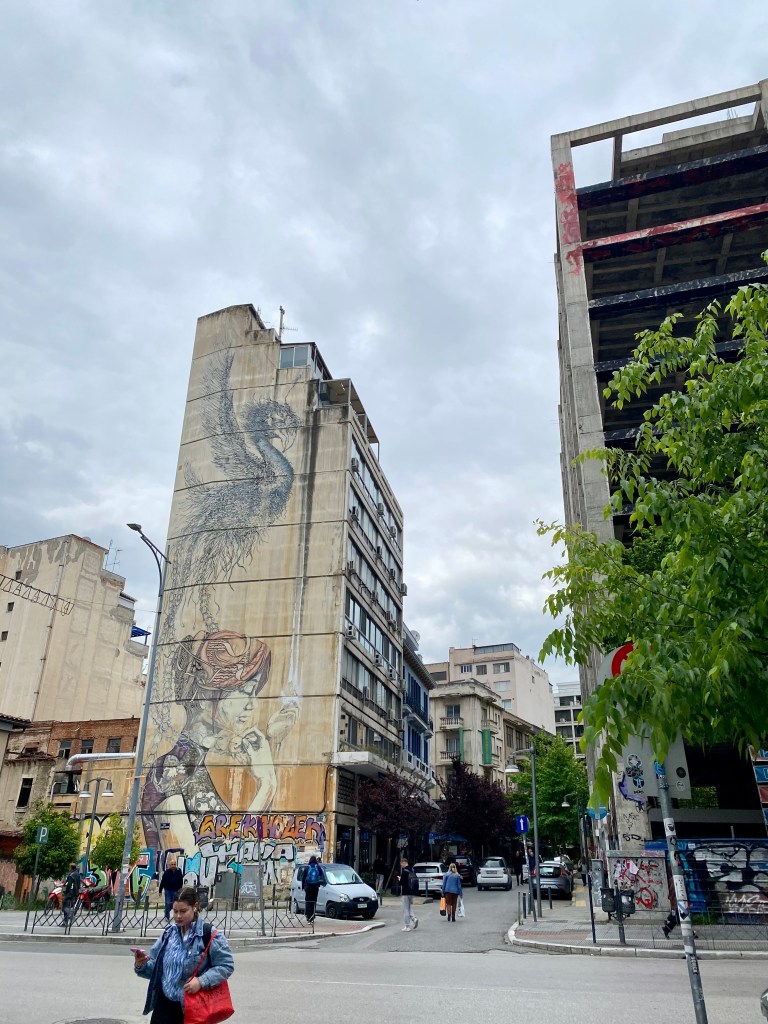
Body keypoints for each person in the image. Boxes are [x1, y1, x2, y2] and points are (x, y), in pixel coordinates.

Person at [133, 885, 234, 1024]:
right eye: (175, 911)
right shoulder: (168, 934)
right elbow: (156, 969)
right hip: (164, 1005)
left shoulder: (208, 935)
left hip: (193, 1006)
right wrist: (141, 964)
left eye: (183, 911)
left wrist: (201, 982)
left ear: (195, 907)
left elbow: (226, 966)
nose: (178, 916)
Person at [158, 858, 184, 923]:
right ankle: (167, 917)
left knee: (173, 904)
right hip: (168, 890)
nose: (173, 865)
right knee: (167, 903)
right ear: (169, 865)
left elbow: (181, 881)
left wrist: (180, 890)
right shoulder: (166, 872)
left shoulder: (179, 871)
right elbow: (163, 881)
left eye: (174, 864)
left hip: (176, 890)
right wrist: (160, 890)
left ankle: (166, 910)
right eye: (172, 864)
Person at [397, 856, 419, 932]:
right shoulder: (412, 870)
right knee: (409, 907)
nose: (401, 865)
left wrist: (399, 879)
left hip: (405, 892)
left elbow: (401, 883)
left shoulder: (404, 872)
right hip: (411, 892)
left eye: (401, 864)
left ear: (404, 863)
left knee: (405, 909)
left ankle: (407, 926)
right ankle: (414, 919)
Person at [302, 855, 323, 922]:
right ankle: (312, 916)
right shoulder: (318, 867)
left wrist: (303, 887)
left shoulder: (307, 867)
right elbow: (321, 874)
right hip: (315, 887)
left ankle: (308, 916)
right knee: (314, 901)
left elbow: (303, 877)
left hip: (308, 887)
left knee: (308, 901)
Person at [62, 862, 81, 928]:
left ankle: (70, 918)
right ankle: (66, 921)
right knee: (70, 906)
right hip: (75, 893)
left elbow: (69, 885)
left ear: (71, 867)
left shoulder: (71, 875)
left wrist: (65, 892)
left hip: (70, 892)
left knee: (65, 906)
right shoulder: (77, 874)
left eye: (69, 867)